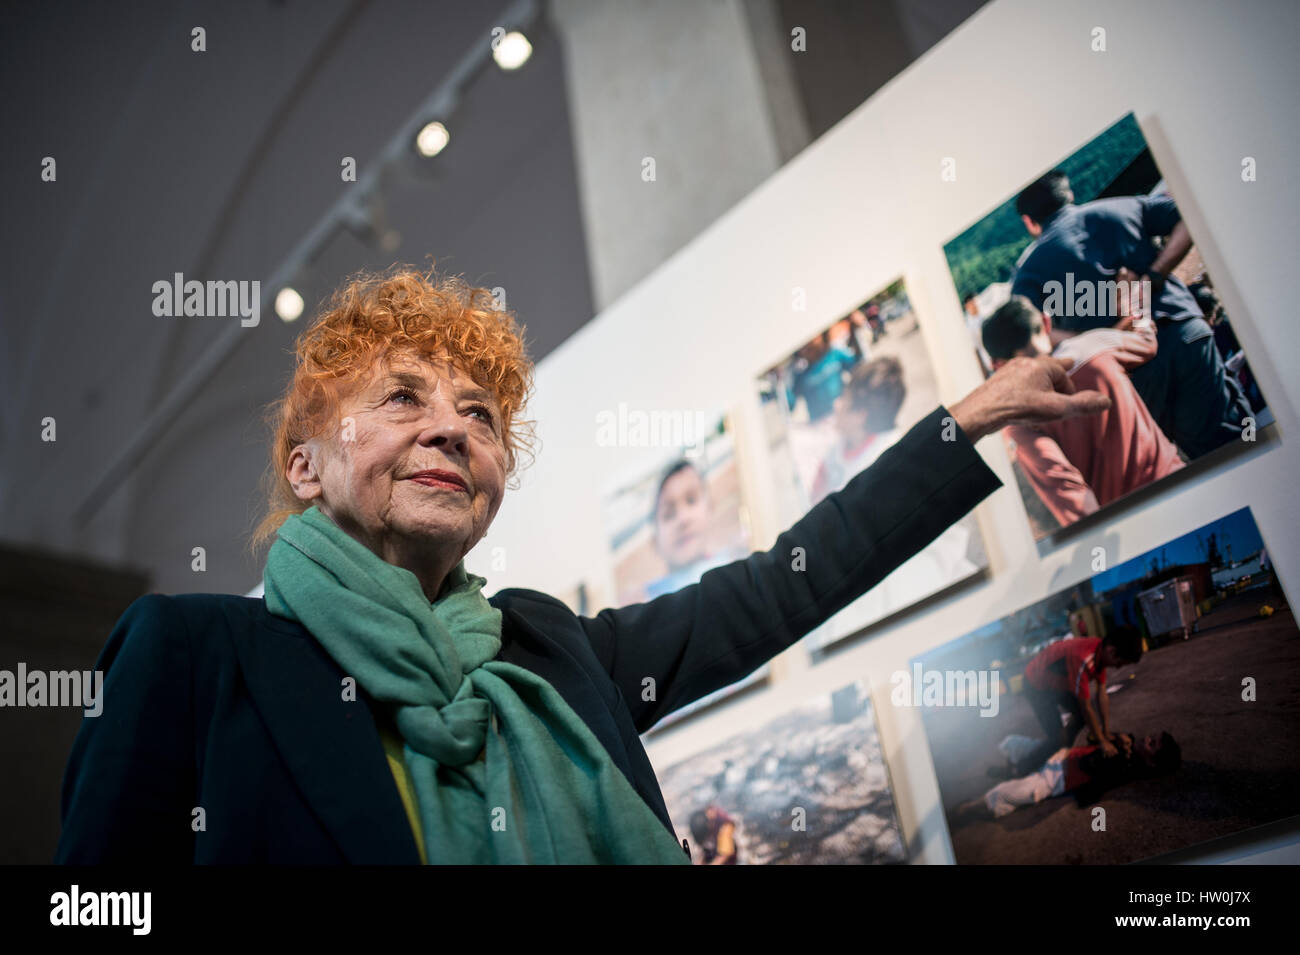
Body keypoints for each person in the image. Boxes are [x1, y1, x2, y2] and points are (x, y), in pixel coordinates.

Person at [54, 265, 1109, 865]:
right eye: (403, 398)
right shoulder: (195, 655)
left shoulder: (552, 648)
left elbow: (786, 581)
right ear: (307, 465)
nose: (452, 429)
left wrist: (969, 418)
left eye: (479, 415)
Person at [1009, 170, 1252, 459]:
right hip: (1182, 332)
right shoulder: (1120, 207)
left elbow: (1026, 331)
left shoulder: (1030, 269)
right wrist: (1153, 277)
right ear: (1068, 194)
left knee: (1202, 457)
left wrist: (1095, 338)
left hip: (1129, 373)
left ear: (1029, 222)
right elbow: (1190, 216)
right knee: (1237, 439)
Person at [981, 295, 1185, 526]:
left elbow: (1074, 502)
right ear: (1046, 323)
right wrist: (1135, 308)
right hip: (1178, 481)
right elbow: (1147, 340)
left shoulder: (1020, 421)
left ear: (997, 365)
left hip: (1131, 523)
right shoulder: (1094, 346)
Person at [955, 730, 1180, 822]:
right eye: (1152, 736)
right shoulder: (1128, 741)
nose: (1147, 738)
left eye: (1152, 744)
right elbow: (1092, 736)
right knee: (1012, 742)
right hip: (1060, 756)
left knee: (1001, 793)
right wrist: (1112, 736)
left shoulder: (1127, 768)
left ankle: (967, 810)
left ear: (1151, 762)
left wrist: (1113, 752)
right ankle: (1014, 769)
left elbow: (1089, 776)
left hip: (1055, 779)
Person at [1012, 626, 1145, 777]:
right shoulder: (1082, 659)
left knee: (1080, 722)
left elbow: (1102, 694)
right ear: (1111, 651)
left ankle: (1063, 745)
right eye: (1119, 663)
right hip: (1036, 684)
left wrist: (1106, 733)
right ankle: (1020, 769)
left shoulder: (1100, 650)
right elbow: (1085, 706)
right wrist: (1102, 742)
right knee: (1058, 739)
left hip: (1058, 682)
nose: (1117, 667)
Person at [643, 459, 741, 599]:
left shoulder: (734, 566)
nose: (683, 519)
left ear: (710, 509)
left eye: (691, 500)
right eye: (668, 514)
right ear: (654, 542)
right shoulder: (650, 600)